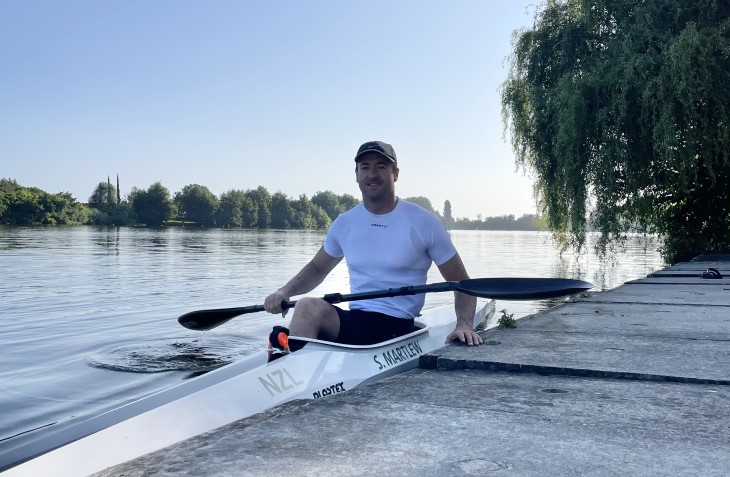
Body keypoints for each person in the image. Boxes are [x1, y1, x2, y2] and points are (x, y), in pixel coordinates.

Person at [264, 140, 482, 358]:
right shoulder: (345, 223)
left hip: (398, 329)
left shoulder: (424, 223)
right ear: (357, 175)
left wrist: (464, 325)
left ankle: (294, 362)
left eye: (381, 166)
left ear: (395, 173)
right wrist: (284, 292)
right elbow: (316, 269)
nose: (372, 174)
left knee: (306, 310)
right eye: (365, 167)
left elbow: (462, 284)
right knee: (306, 306)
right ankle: (290, 369)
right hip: (356, 321)